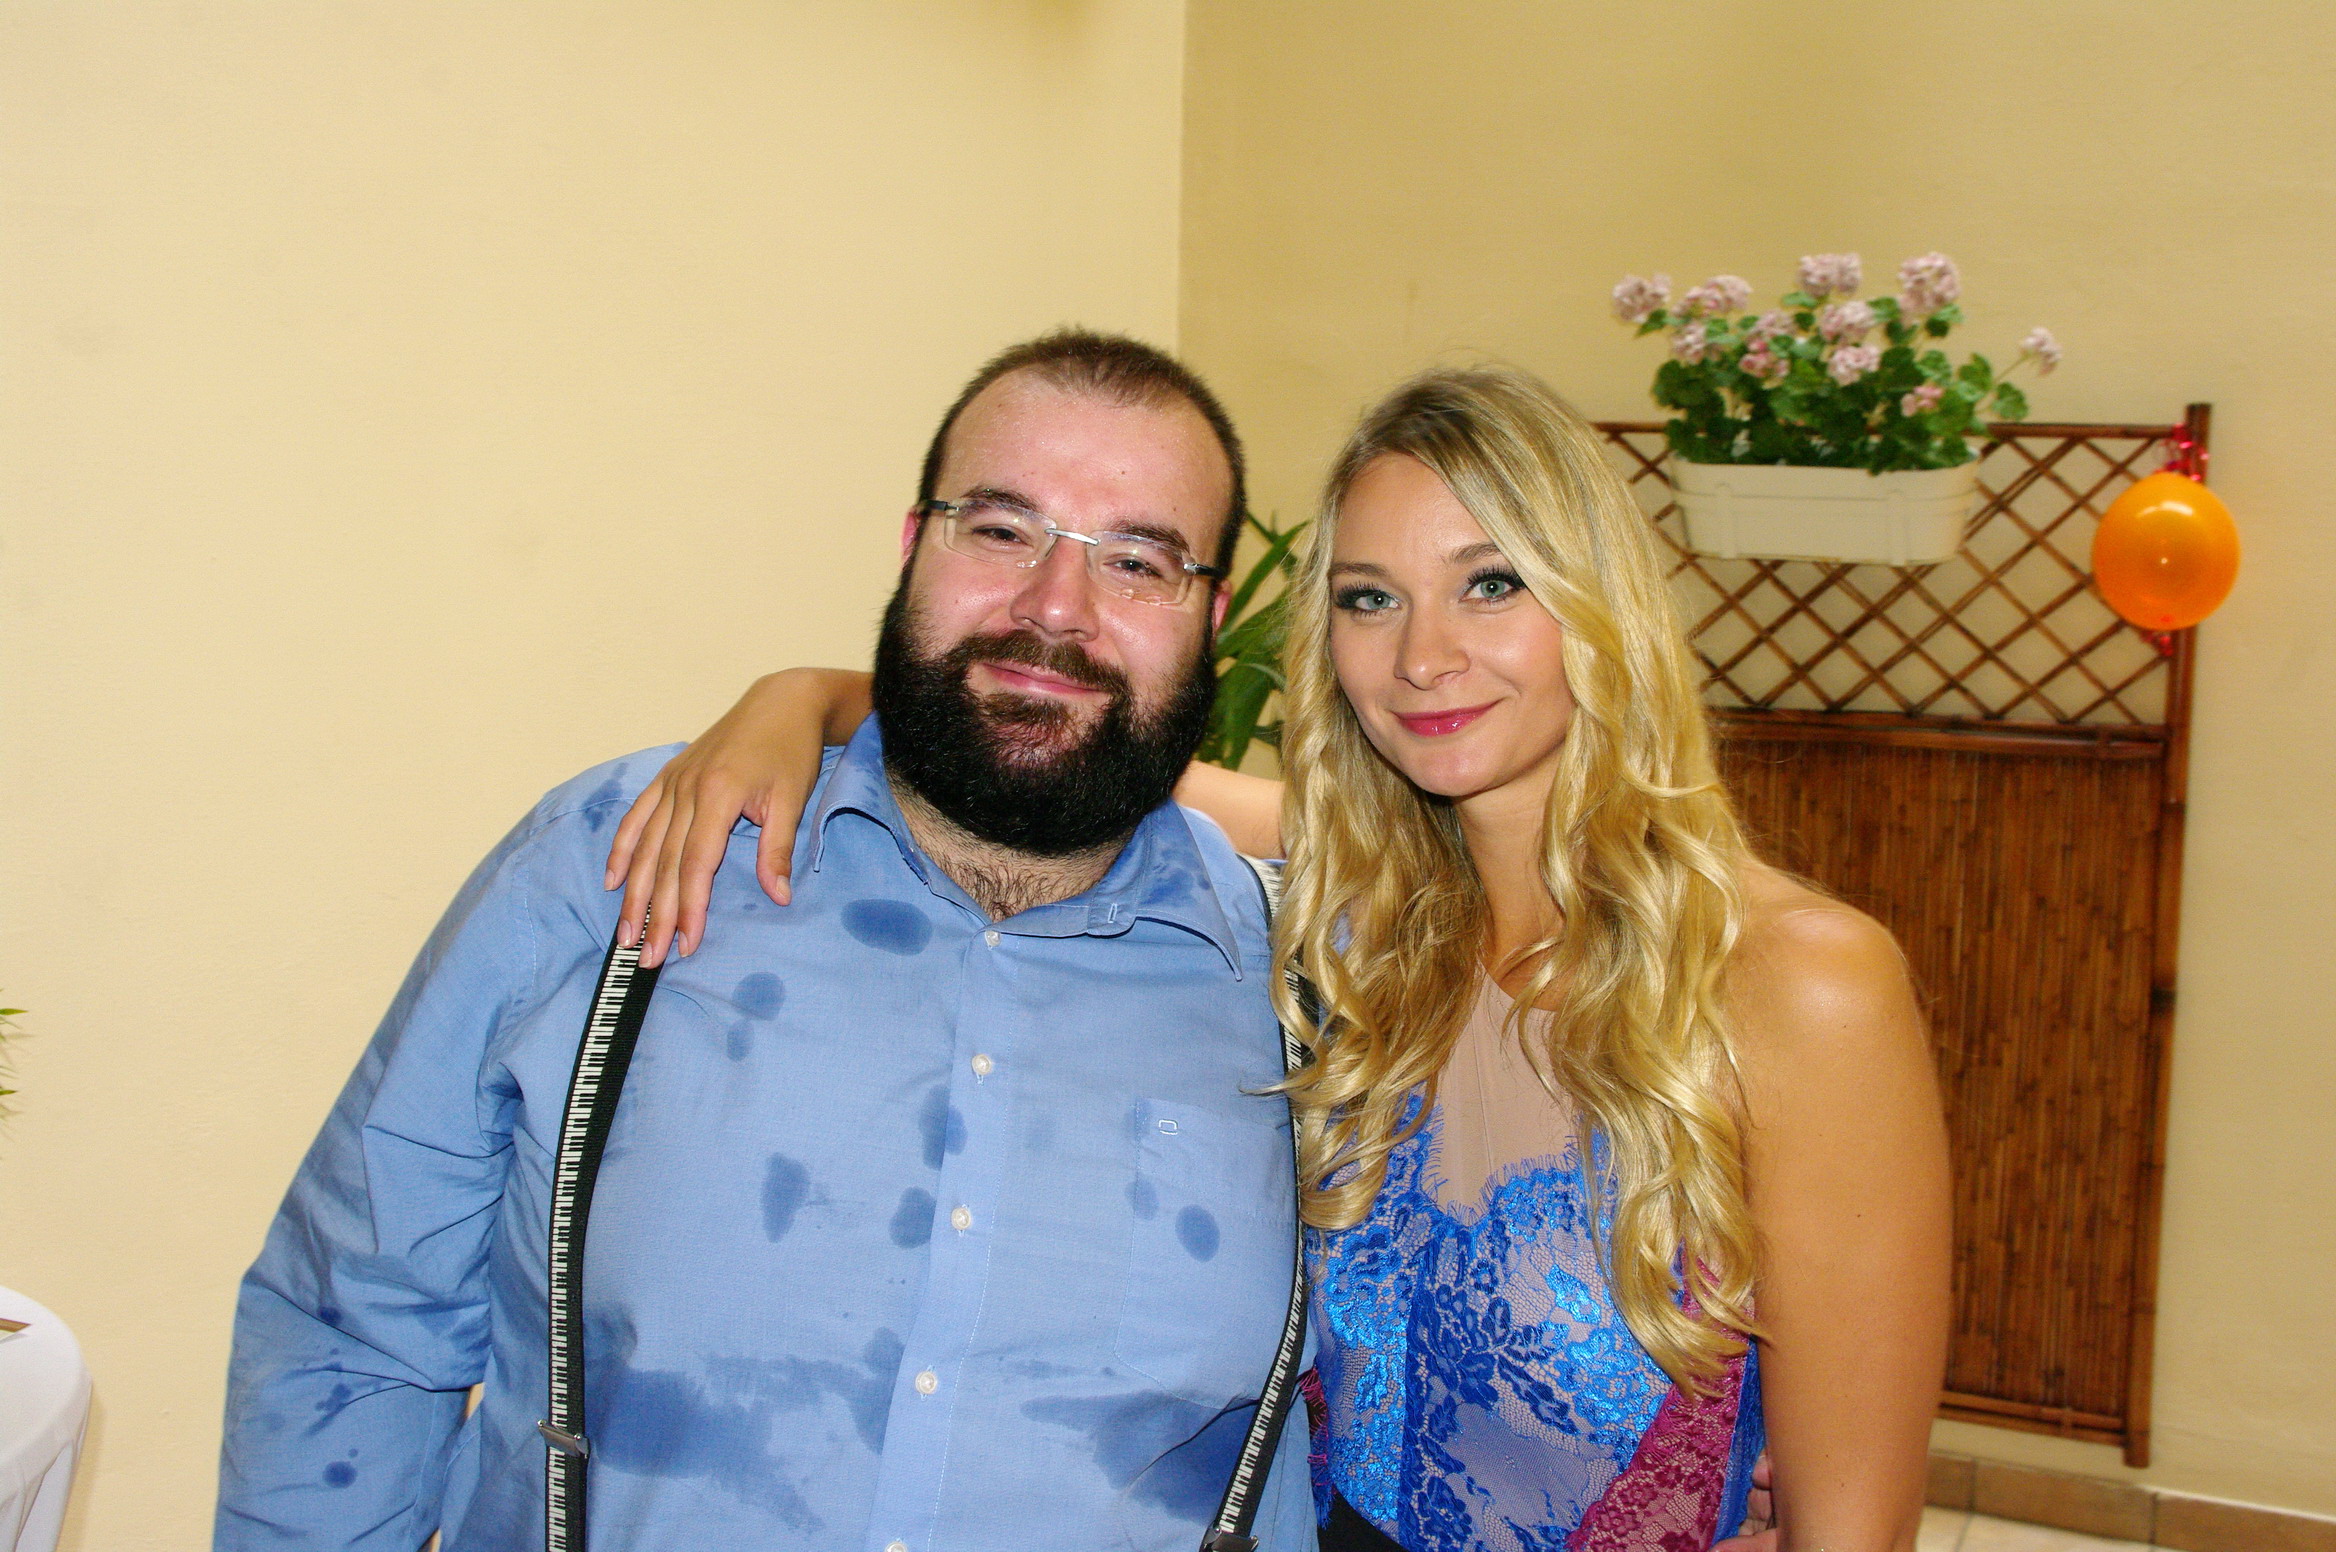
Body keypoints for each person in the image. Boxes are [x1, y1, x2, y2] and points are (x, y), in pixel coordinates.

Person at [609, 367, 1953, 1551]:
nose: (1423, 657)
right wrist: (795, 699)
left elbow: (1854, 1530)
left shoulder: (1799, 987)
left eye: (1489, 584)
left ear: (1599, 606)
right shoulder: (1355, 910)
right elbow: (1042, 722)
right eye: (1371, 599)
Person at [215, 330, 1323, 1552]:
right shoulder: (613, 859)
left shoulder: (1299, 985)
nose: (1055, 606)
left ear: (1210, 616)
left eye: (1136, 561)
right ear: (913, 544)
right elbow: (354, 1327)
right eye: (1000, 529)